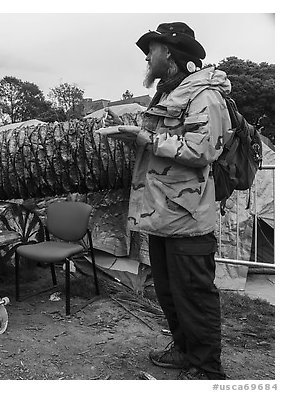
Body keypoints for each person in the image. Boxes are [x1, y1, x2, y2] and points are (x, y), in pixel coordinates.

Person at [104, 22, 231, 380]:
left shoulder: (204, 95)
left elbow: (203, 149)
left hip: (189, 220)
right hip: (162, 215)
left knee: (194, 296)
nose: (147, 55)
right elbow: (162, 142)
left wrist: (144, 139)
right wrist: (135, 135)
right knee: (169, 293)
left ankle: (207, 369)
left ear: (171, 56)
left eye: (153, 49)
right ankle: (183, 350)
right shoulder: (169, 93)